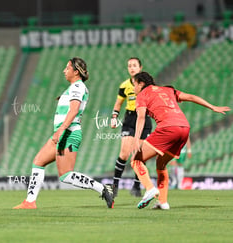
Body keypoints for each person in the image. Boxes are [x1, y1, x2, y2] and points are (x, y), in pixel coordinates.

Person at [13, 58, 114, 209]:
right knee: (38, 162)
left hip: (68, 133)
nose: (64, 71)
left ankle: (103, 188)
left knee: (66, 175)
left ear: (76, 71)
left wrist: (60, 130)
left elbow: (74, 110)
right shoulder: (74, 87)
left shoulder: (77, 87)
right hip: (62, 133)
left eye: (67, 68)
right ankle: (30, 202)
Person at [130, 72, 230, 210]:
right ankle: (163, 202)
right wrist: (212, 107)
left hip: (168, 128)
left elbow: (140, 117)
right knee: (161, 163)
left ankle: (149, 189)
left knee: (136, 160)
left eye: (133, 84)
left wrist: (136, 139)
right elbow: (190, 96)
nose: (133, 88)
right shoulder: (168, 90)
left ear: (141, 83)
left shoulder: (142, 95)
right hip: (184, 128)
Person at [110, 57, 152, 198]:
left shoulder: (147, 85)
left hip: (144, 118)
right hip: (130, 118)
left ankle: (136, 186)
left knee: (139, 155)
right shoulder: (124, 85)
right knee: (124, 153)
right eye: (129, 66)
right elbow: (118, 103)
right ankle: (115, 186)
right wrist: (114, 117)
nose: (132, 68)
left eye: (134, 65)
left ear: (140, 67)